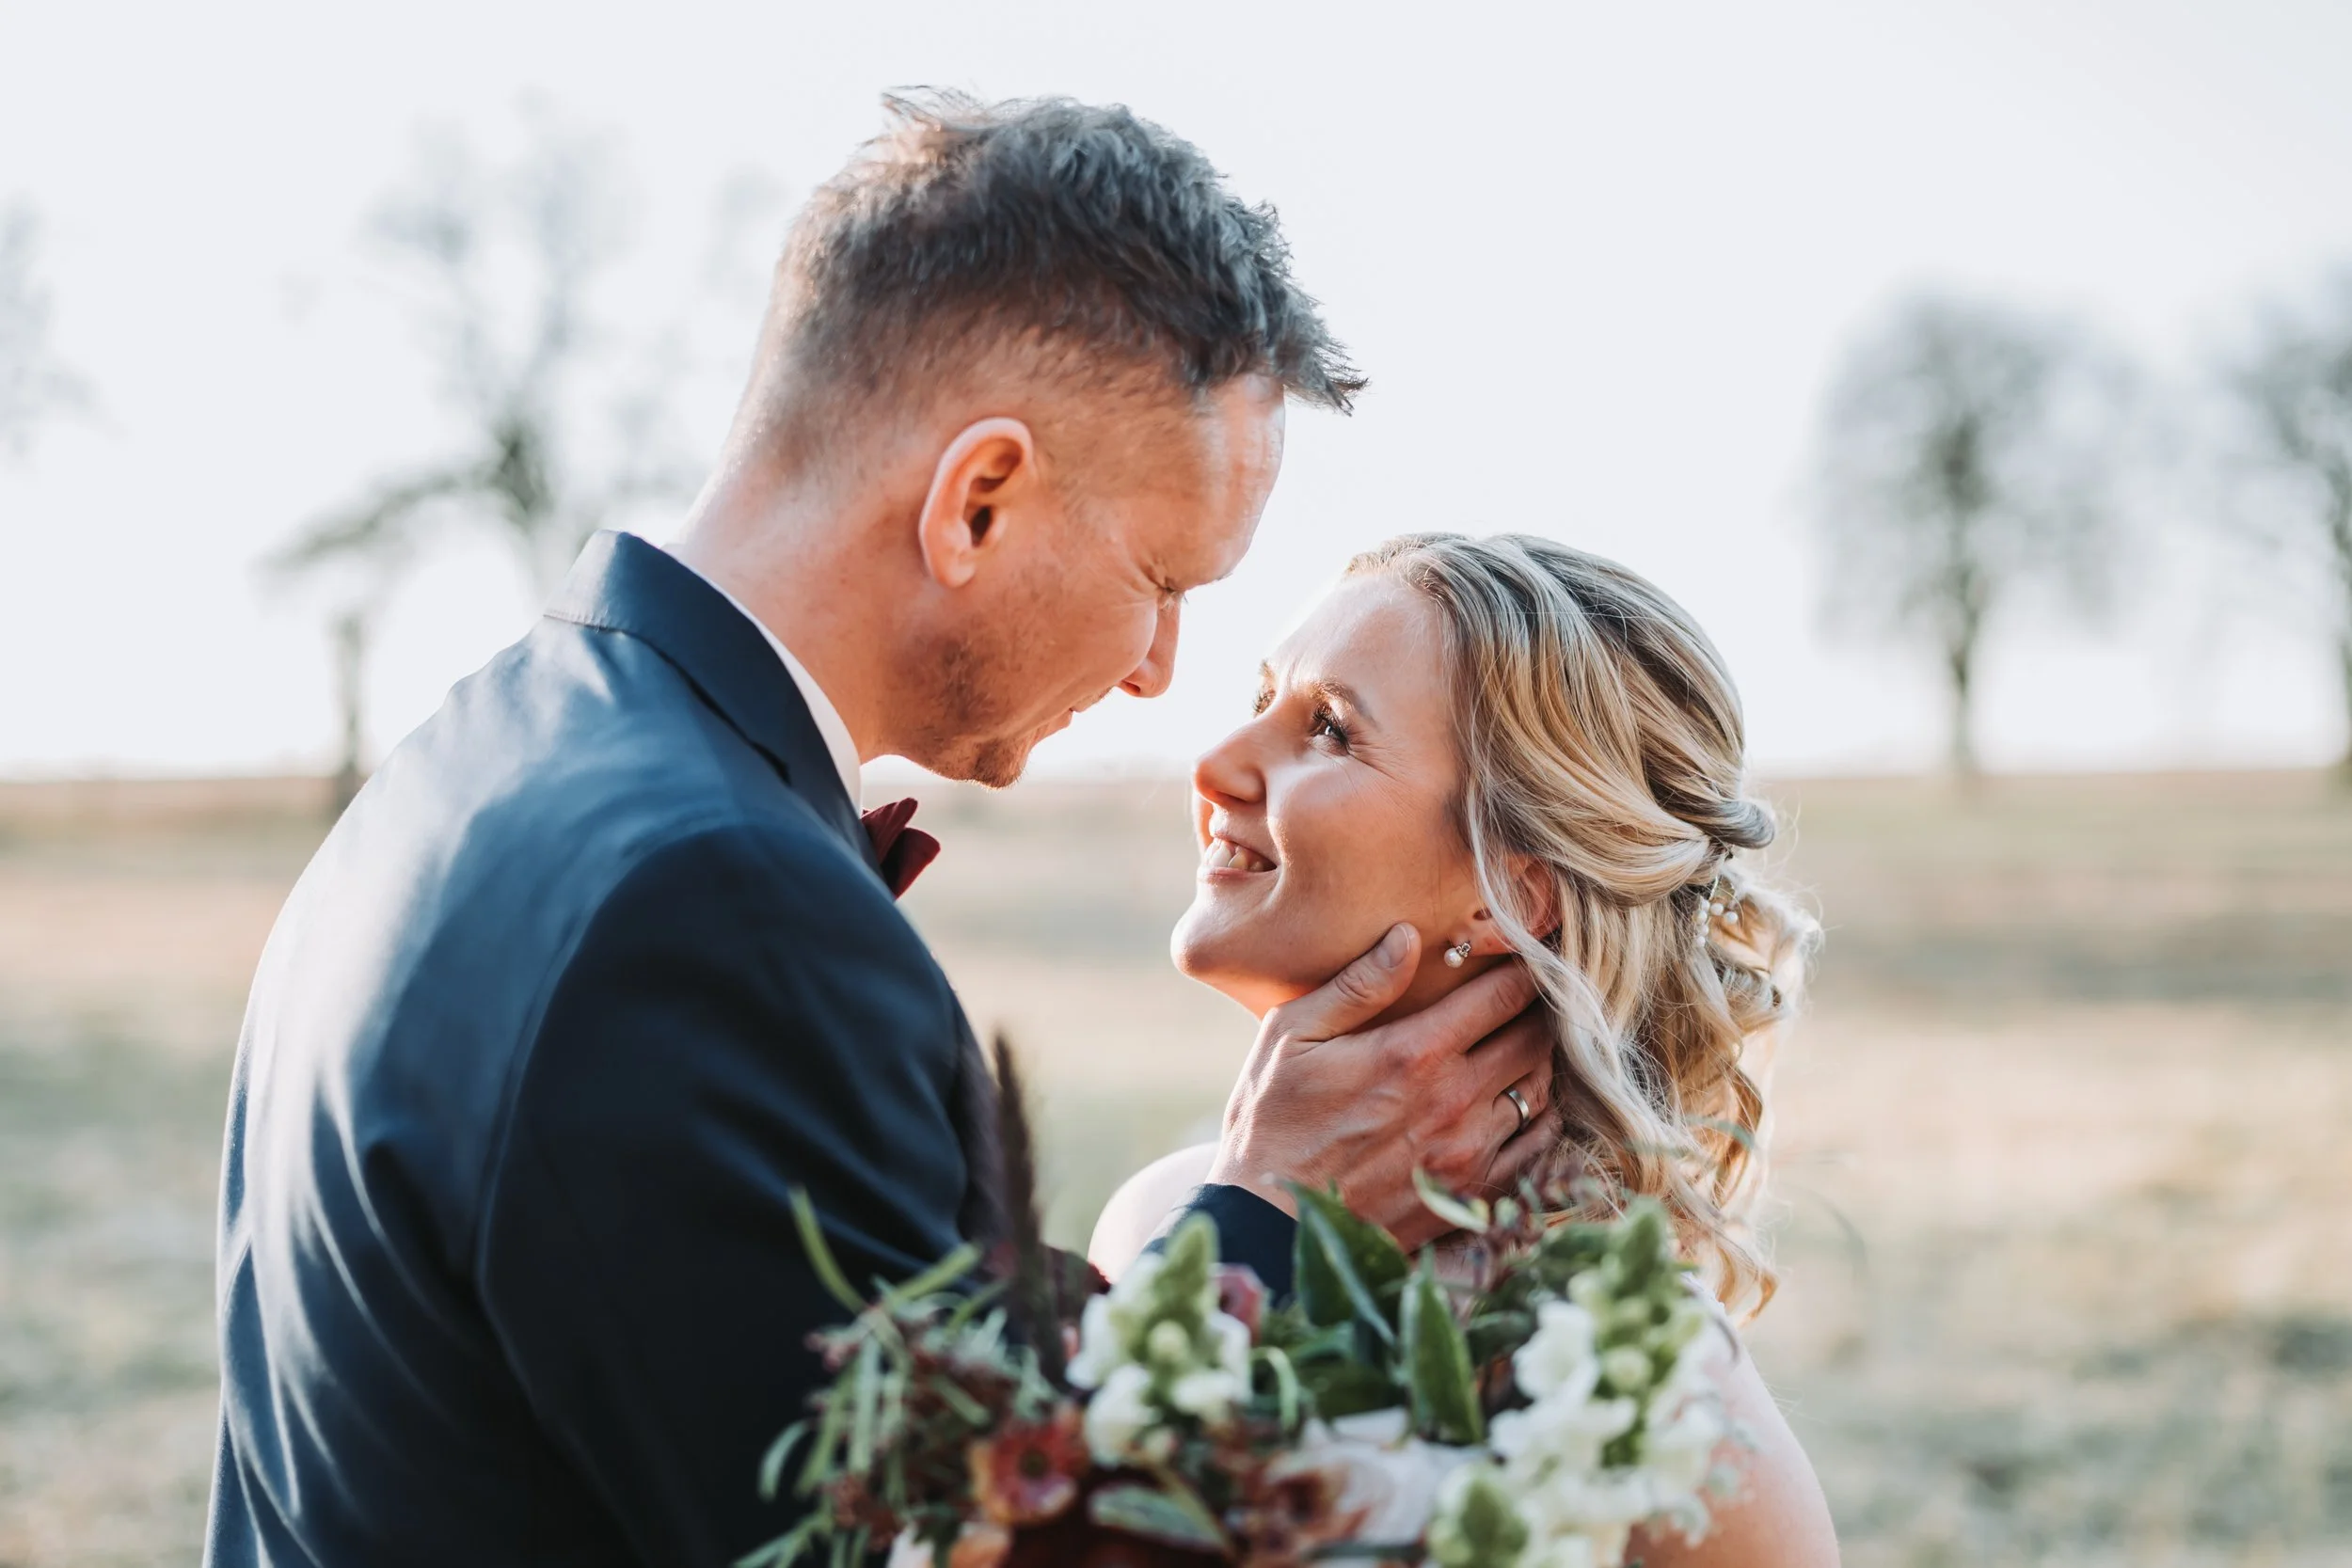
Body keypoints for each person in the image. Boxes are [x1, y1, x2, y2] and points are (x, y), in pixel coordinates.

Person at [203, 95, 1560, 1568]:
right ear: (977, 500)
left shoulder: (484, 754)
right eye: (1163, 576)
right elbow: (954, 1540)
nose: (1158, 665)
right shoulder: (705, 906)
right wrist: (1264, 1218)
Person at [1089, 532, 1842, 1565]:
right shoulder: (1162, 1225)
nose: (1215, 765)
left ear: (1509, 892)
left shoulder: (1651, 1402)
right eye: (1261, 697)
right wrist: (1257, 1208)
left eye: (1328, 730)